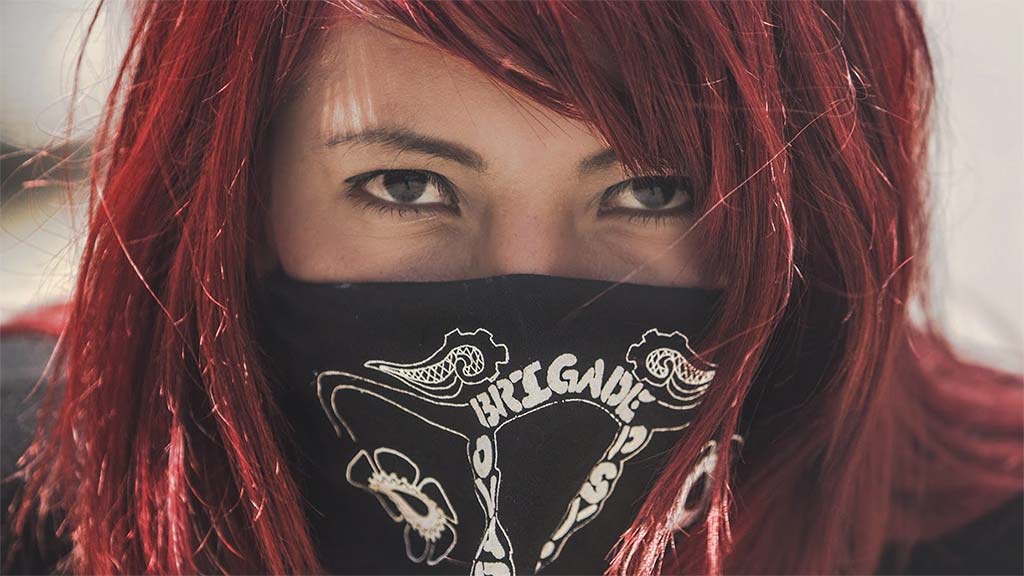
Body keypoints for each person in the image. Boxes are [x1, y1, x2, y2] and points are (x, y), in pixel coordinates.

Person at [2, 1, 1022, 574]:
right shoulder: (36, 490)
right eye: (405, 187)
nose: (529, 291)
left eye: (652, 190)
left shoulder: (975, 537)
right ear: (232, 198)